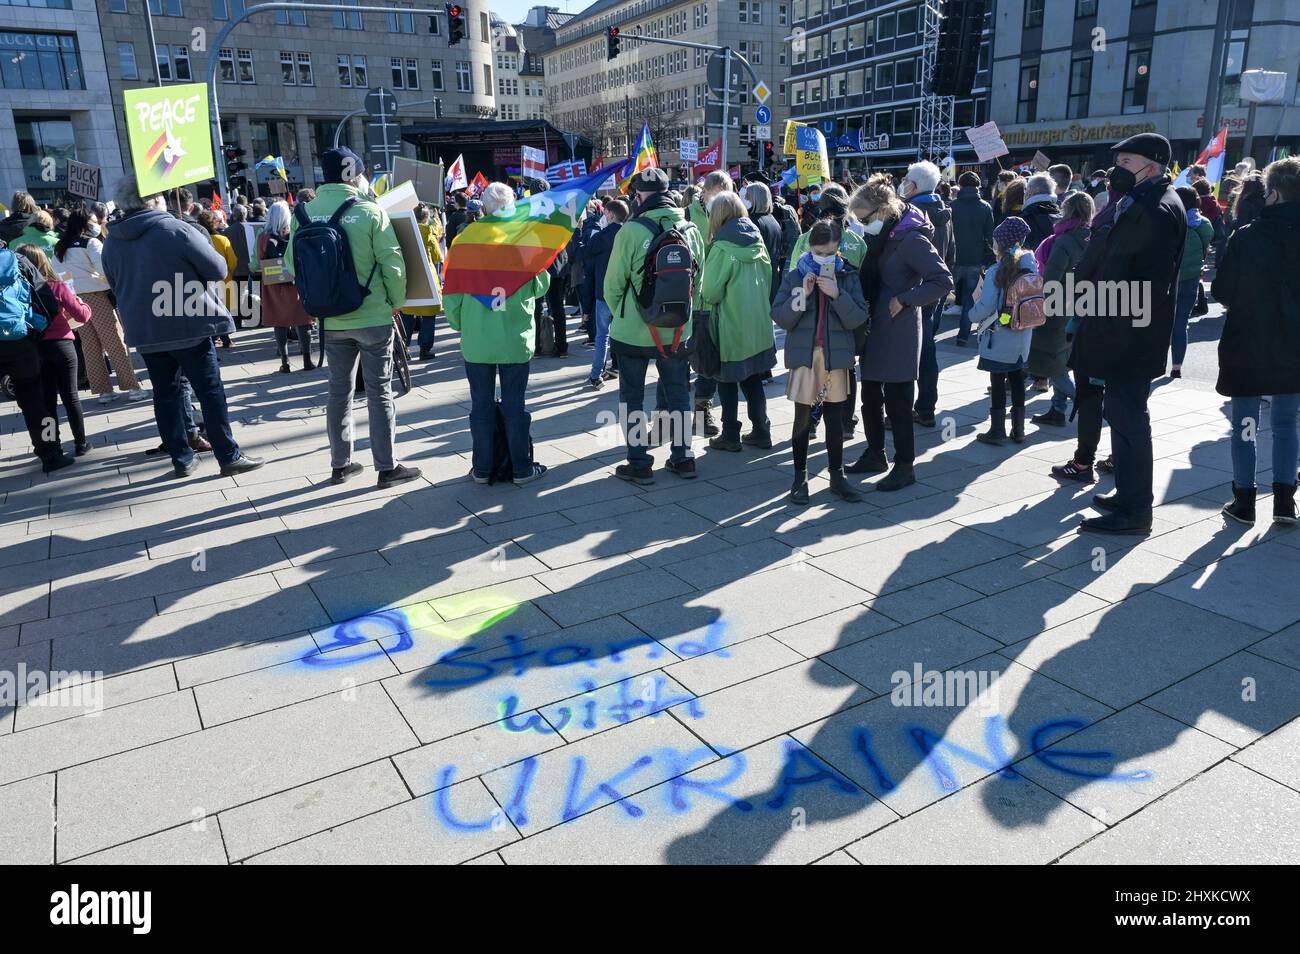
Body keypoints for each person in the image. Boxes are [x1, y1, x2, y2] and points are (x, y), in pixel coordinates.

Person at [100, 172, 263, 479]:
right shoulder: (175, 229)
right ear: (154, 199)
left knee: (165, 394)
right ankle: (228, 455)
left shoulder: (112, 241)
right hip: (188, 323)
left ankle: (182, 459)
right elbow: (217, 269)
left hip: (146, 329)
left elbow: (114, 283)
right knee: (210, 392)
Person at [1069, 133, 1186, 534]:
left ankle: (1136, 510)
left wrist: (1109, 319)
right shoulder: (1143, 200)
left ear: (1151, 166)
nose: (1117, 170)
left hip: (1131, 336)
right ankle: (1127, 495)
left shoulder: (1156, 208)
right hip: (1124, 330)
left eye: (1126, 162)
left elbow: (1148, 284)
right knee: (1120, 415)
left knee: (1130, 419)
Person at [284, 147, 418, 488]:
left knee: (338, 392)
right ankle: (387, 467)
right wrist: (396, 303)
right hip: (372, 315)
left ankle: (340, 464)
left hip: (331, 320)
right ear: (355, 175)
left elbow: (290, 265)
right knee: (379, 391)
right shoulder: (370, 211)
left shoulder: (302, 213)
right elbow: (393, 263)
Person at [845, 174, 953, 490]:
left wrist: (905, 299)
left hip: (898, 328)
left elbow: (942, 281)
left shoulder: (910, 238)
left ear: (881, 211)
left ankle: (905, 465)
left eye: (864, 219)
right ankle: (875, 453)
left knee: (898, 402)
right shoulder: (884, 234)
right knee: (869, 397)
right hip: (875, 326)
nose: (861, 225)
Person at [1211, 156, 1300, 526]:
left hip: (1249, 339)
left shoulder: (1246, 236)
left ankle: (1245, 500)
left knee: (1246, 424)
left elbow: (1223, 291)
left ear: (1274, 193)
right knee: (1286, 423)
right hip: (1294, 345)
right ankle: (1284, 502)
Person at [444, 181, 549, 486]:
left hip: (478, 339)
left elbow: (452, 291)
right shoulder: (523, 240)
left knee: (480, 406)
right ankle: (521, 468)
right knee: (516, 406)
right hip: (515, 337)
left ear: (483, 207)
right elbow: (541, 285)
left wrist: (459, 323)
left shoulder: (464, 241)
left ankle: (482, 468)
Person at [604, 167, 704, 484]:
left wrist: (623, 313)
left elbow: (613, 285)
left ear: (640, 195)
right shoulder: (690, 228)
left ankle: (639, 462)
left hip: (634, 331)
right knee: (677, 394)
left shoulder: (630, 231)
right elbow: (698, 280)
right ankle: (683, 456)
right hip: (676, 329)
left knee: (632, 396)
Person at [773, 219, 871, 503]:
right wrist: (802, 295)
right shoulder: (795, 276)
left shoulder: (848, 276)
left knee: (835, 418)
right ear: (810, 247)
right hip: (805, 356)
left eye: (830, 253)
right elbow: (781, 317)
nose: (824, 258)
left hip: (836, 356)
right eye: (819, 252)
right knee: (802, 418)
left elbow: (858, 318)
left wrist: (837, 295)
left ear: (838, 249)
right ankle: (799, 476)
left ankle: (837, 475)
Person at [699, 191, 777, 451]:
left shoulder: (721, 247)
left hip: (730, 324)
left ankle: (730, 433)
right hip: (759, 323)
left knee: (727, 380)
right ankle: (761, 430)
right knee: (753, 378)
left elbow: (710, 292)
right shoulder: (757, 240)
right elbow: (769, 281)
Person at [52, 208, 148, 404]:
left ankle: (103, 391)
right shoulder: (90, 243)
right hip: (95, 296)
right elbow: (106, 268)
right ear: (85, 223)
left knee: (90, 346)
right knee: (114, 342)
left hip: (71, 300)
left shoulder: (60, 246)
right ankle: (132, 388)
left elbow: (56, 274)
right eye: (93, 220)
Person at [14, 245, 91, 457]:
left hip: (36, 348)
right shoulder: (57, 287)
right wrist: (84, 305)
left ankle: (53, 445)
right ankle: (81, 443)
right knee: (71, 397)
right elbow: (82, 316)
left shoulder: (20, 291)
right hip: (63, 345)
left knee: (47, 401)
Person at [969, 217, 1036, 445]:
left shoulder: (997, 271)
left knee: (997, 381)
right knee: (1017, 379)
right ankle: (1019, 429)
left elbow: (987, 305)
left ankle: (997, 430)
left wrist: (971, 315)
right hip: (1022, 332)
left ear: (1001, 244)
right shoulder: (1031, 265)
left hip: (999, 334)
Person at [1028, 190, 1094, 426]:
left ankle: (1091, 404)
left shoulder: (1064, 239)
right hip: (1083, 304)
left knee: (1054, 362)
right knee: (1065, 360)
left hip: (1058, 305)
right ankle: (1057, 410)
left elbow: (1052, 278)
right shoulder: (1092, 237)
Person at [899, 160, 954, 428]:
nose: (903, 183)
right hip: (936, 290)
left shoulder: (912, 212)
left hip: (915, 290)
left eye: (906, 179)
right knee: (928, 349)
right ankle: (926, 406)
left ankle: (913, 408)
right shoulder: (944, 210)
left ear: (915, 185)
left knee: (912, 351)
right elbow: (950, 254)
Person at [687, 170, 736, 436]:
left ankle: (702, 409)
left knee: (709, 358)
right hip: (690, 301)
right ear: (706, 192)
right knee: (676, 360)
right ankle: (668, 418)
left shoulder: (729, 214)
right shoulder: (689, 215)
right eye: (719, 194)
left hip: (715, 301)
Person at [258, 200, 315, 373]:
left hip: (273, 283)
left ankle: (285, 362)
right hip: (295, 280)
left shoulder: (263, 237)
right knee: (303, 320)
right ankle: (307, 360)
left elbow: (257, 259)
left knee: (279, 321)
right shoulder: (295, 233)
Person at [579, 197, 627, 390]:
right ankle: (624, 372)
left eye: (606, 213)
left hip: (604, 292)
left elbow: (583, 254)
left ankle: (595, 374)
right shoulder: (628, 234)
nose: (604, 216)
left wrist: (577, 232)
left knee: (602, 336)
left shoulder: (602, 236)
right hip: (623, 292)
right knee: (622, 335)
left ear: (611, 214)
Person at [1169, 186, 1214, 380]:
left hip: (1169, 278)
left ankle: (1158, 360)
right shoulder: (1204, 224)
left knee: (1162, 321)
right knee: (1181, 323)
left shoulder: (1169, 221)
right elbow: (1207, 244)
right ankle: (1177, 366)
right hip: (1192, 277)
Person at [949, 171, 995, 346]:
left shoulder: (952, 206)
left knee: (940, 295)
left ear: (960, 185)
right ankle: (963, 335)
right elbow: (990, 236)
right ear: (978, 186)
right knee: (969, 297)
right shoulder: (984, 207)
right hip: (975, 259)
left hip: (953, 257)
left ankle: (930, 331)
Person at [404, 203, 444, 361]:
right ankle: (424, 349)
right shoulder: (429, 233)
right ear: (427, 218)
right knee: (428, 316)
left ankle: (404, 347)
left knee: (407, 314)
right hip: (427, 278)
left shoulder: (405, 232)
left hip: (410, 277)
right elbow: (437, 257)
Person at [196, 209, 237, 349]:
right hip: (224, 280)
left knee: (213, 311)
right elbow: (232, 261)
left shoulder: (197, 239)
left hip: (206, 281)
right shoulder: (222, 239)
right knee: (223, 310)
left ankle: (220, 339)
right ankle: (224, 338)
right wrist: (229, 273)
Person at [743, 181, 784, 303]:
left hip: (759, 280)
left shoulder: (753, 221)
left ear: (753, 199)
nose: (744, 200)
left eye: (746, 197)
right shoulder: (773, 220)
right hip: (772, 279)